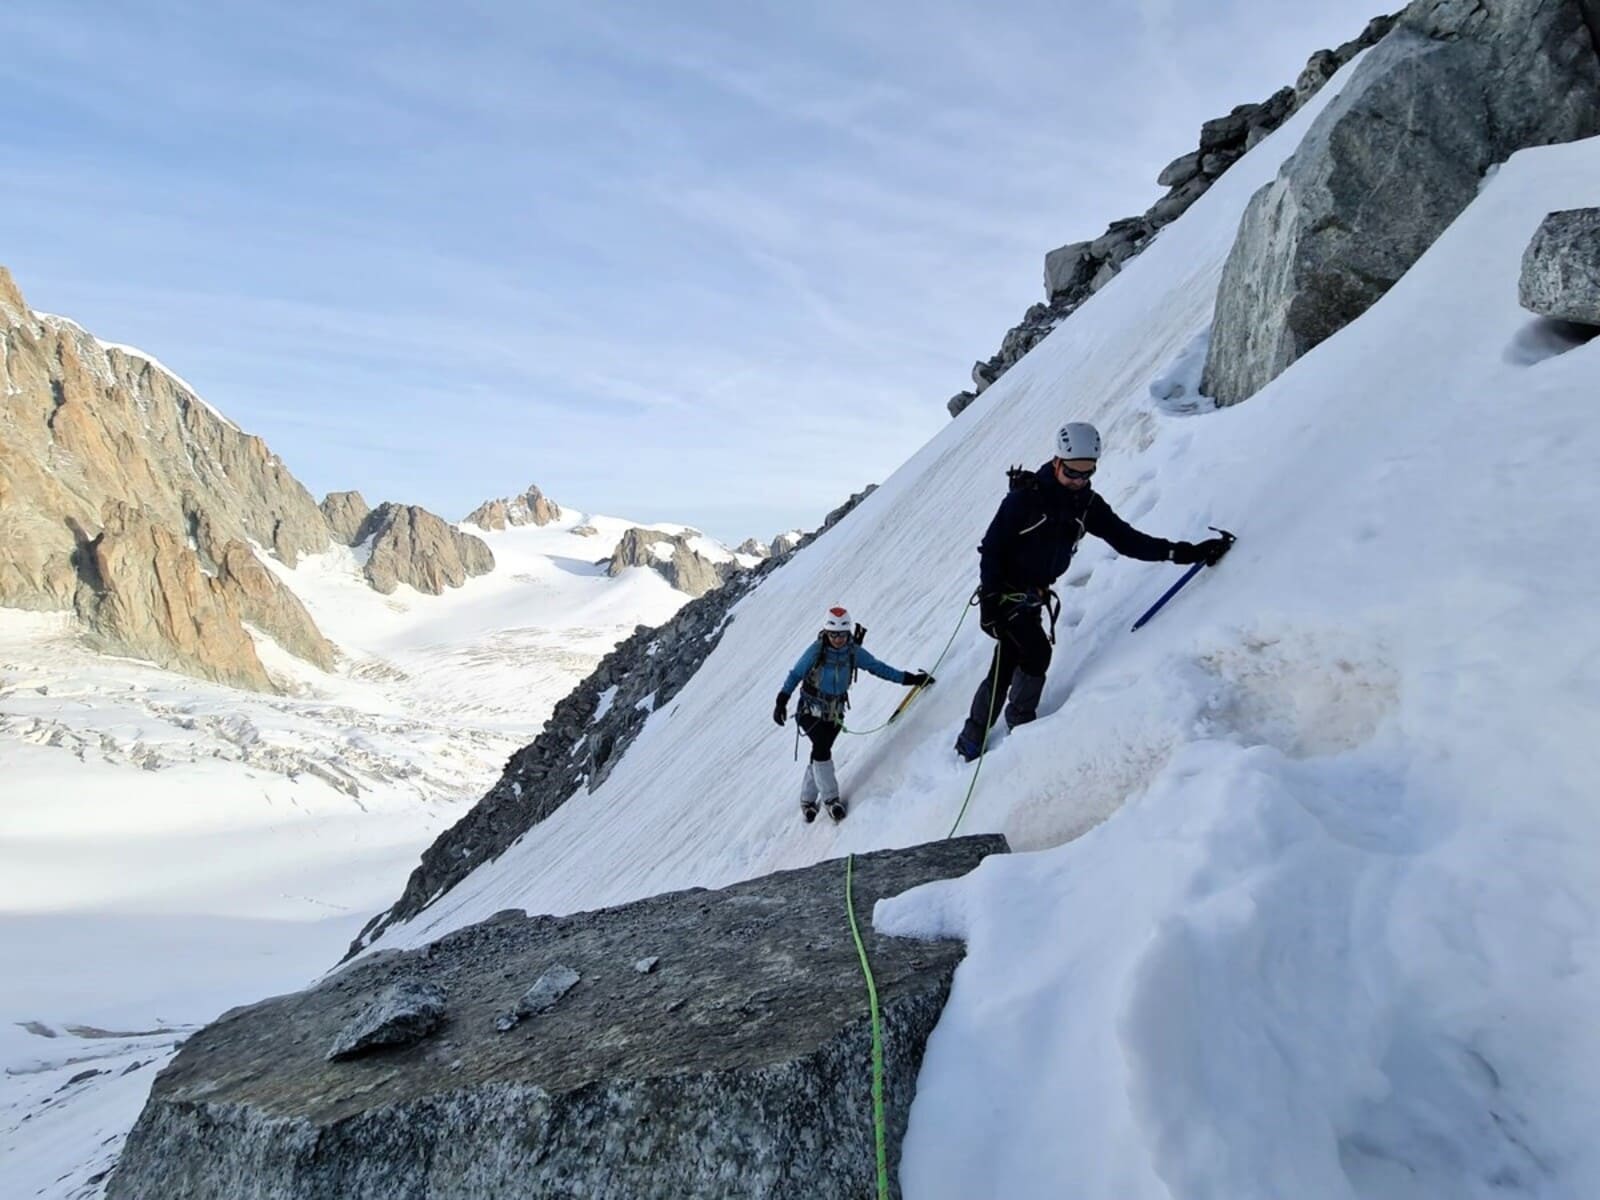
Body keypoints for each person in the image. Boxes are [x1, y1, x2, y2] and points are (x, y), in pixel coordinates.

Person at [954, 421, 1231, 761]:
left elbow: (1127, 540)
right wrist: (991, 603)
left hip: (1033, 596)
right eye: (1072, 472)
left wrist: (1184, 552)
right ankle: (1018, 725)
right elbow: (992, 549)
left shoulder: (1086, 505)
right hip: (1006, 595)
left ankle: (973, 738)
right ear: (1057, 461)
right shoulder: (1024, 500)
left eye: (1088, 473)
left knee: (1009, 660)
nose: (1079, 480)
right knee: (1035, 652)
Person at [774, 606, 931, 823]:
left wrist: (910, 679)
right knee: (821, 748)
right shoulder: (816, 651)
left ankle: (807, 801)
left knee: (820, 751)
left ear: (848, 632)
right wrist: (782, 700)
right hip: (809, 712)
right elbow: (796, 674)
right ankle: (831, 801)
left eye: (842, 634)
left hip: (834, 714)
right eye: (833, 634)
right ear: (826, 632)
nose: (838, 639)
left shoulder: (853, 652)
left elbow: (878, 668)